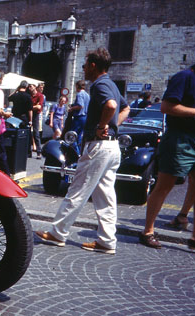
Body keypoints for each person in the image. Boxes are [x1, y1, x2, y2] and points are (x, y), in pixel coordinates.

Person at [36, 47, 129, 255]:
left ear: (93, 66)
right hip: (112, 147)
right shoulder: (112, 84)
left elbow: (112, 106)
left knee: (77, 189)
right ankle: (107, 241)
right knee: (106, 196)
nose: (84, 69)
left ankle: (58, 233)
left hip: (99, 146)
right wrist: (113, 126)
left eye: (85, 65)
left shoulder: (99, 84)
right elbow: (125, 108)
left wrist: (102, 126)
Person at [139, 42, 195, 250]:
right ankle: (147, 231)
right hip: (179, 138)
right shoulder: (184, 77)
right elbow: (167, 107)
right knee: (165, 186)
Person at [8, 80, 33, 155]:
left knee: (15, 134)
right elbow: (30, 110)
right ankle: (27, 152)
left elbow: (9, 98)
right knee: (25, 135)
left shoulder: (16, 95)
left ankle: (14, 150)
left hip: (15, 117)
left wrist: (16, 90)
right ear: (26, 87)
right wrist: (31, 120)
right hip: (23, 117)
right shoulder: (28, 96)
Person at [68, 80, 90, 154]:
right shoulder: (87, 95)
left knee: (72, 136)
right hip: (85, 117)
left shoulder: (79, 94)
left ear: (77, 86)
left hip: (79, 117)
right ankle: (80, 153)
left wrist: (72, 108)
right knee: (79, 137)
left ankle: (75, 154)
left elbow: (80, 106)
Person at [30, 83, 45, 159]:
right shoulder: (29, 95)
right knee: (28, 133)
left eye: (31, 86)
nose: (29, 88)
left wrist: (30, 107)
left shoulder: (40, 96)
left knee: (36, 133)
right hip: (29, 115)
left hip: (35, 115)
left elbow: (39, 107)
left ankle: (39, 152)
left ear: (35, 87)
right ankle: (28, 152)